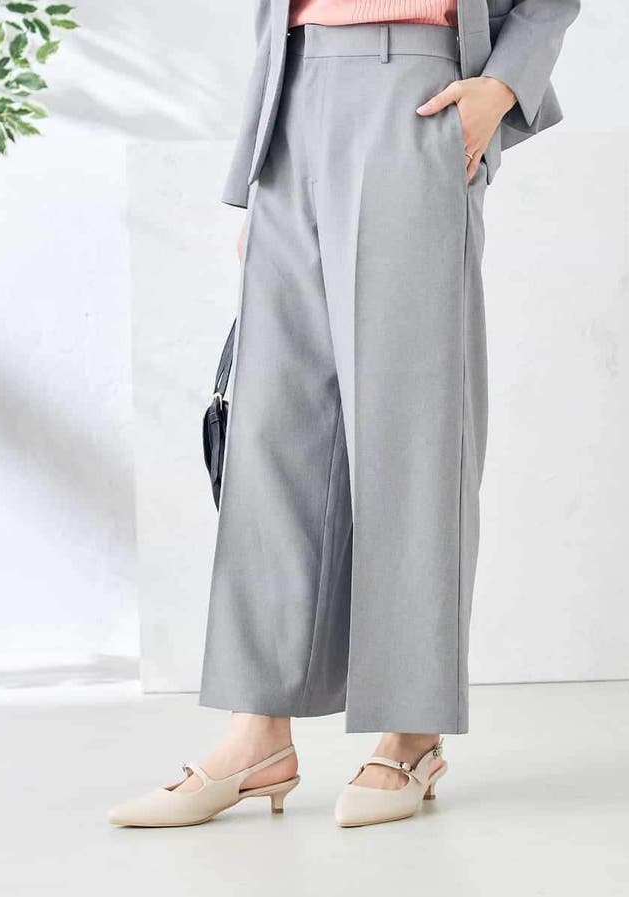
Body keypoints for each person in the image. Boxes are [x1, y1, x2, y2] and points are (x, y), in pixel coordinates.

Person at [109, 0, 578, 829]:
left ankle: (411, 734)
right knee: (273, 435)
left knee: (410, 429)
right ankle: (257, 734)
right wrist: (258, 173)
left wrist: (502, 87)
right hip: (293, 90)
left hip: (416, 92)